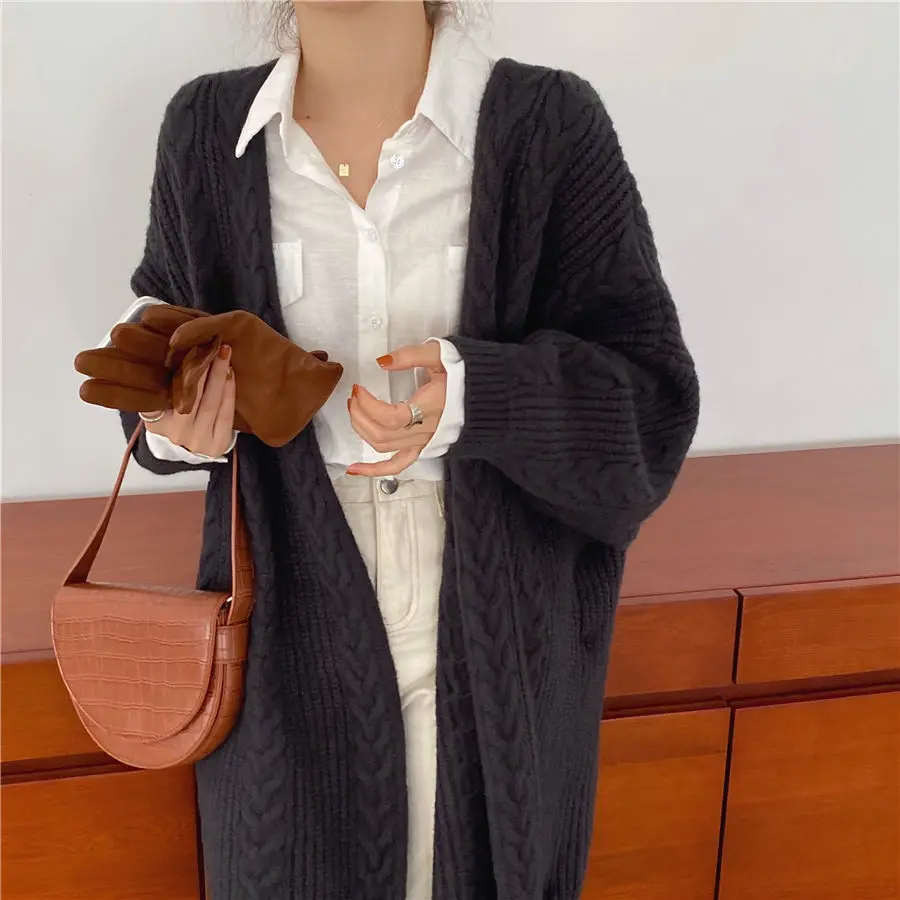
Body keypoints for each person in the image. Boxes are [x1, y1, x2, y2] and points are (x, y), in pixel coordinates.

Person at [115, 2, 700, 898]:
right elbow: (157, 347)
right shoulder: (206, 131)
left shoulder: (548, 125)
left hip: (495, 626)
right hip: (285, 629)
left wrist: (479, 397)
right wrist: (175, 418)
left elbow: (649, 410)